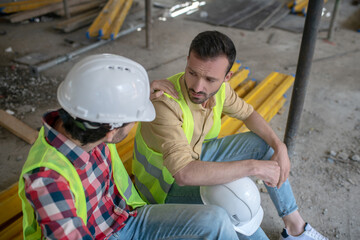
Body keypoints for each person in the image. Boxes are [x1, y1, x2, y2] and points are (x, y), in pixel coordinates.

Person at [18, 54, 240, 240]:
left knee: (217, 220)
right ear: (111, 131)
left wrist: (141, 95)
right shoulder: (47, 182)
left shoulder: (83, 120)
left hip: (126, 216)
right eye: (134, 119)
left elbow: (102, 93)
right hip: (102, 234)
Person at [133, 31, 329, 240]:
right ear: (187, 62)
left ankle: (295, 228)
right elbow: (184, 174)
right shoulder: (166, 102)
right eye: (192, 73)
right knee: (234, 198)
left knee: (265, 142)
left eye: (210, 79)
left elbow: (249, 114)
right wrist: (253, 167)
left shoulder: (221, 90)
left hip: (197, 154)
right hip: (165, 187)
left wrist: (280, 146)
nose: (198, 87)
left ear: (227, 78)